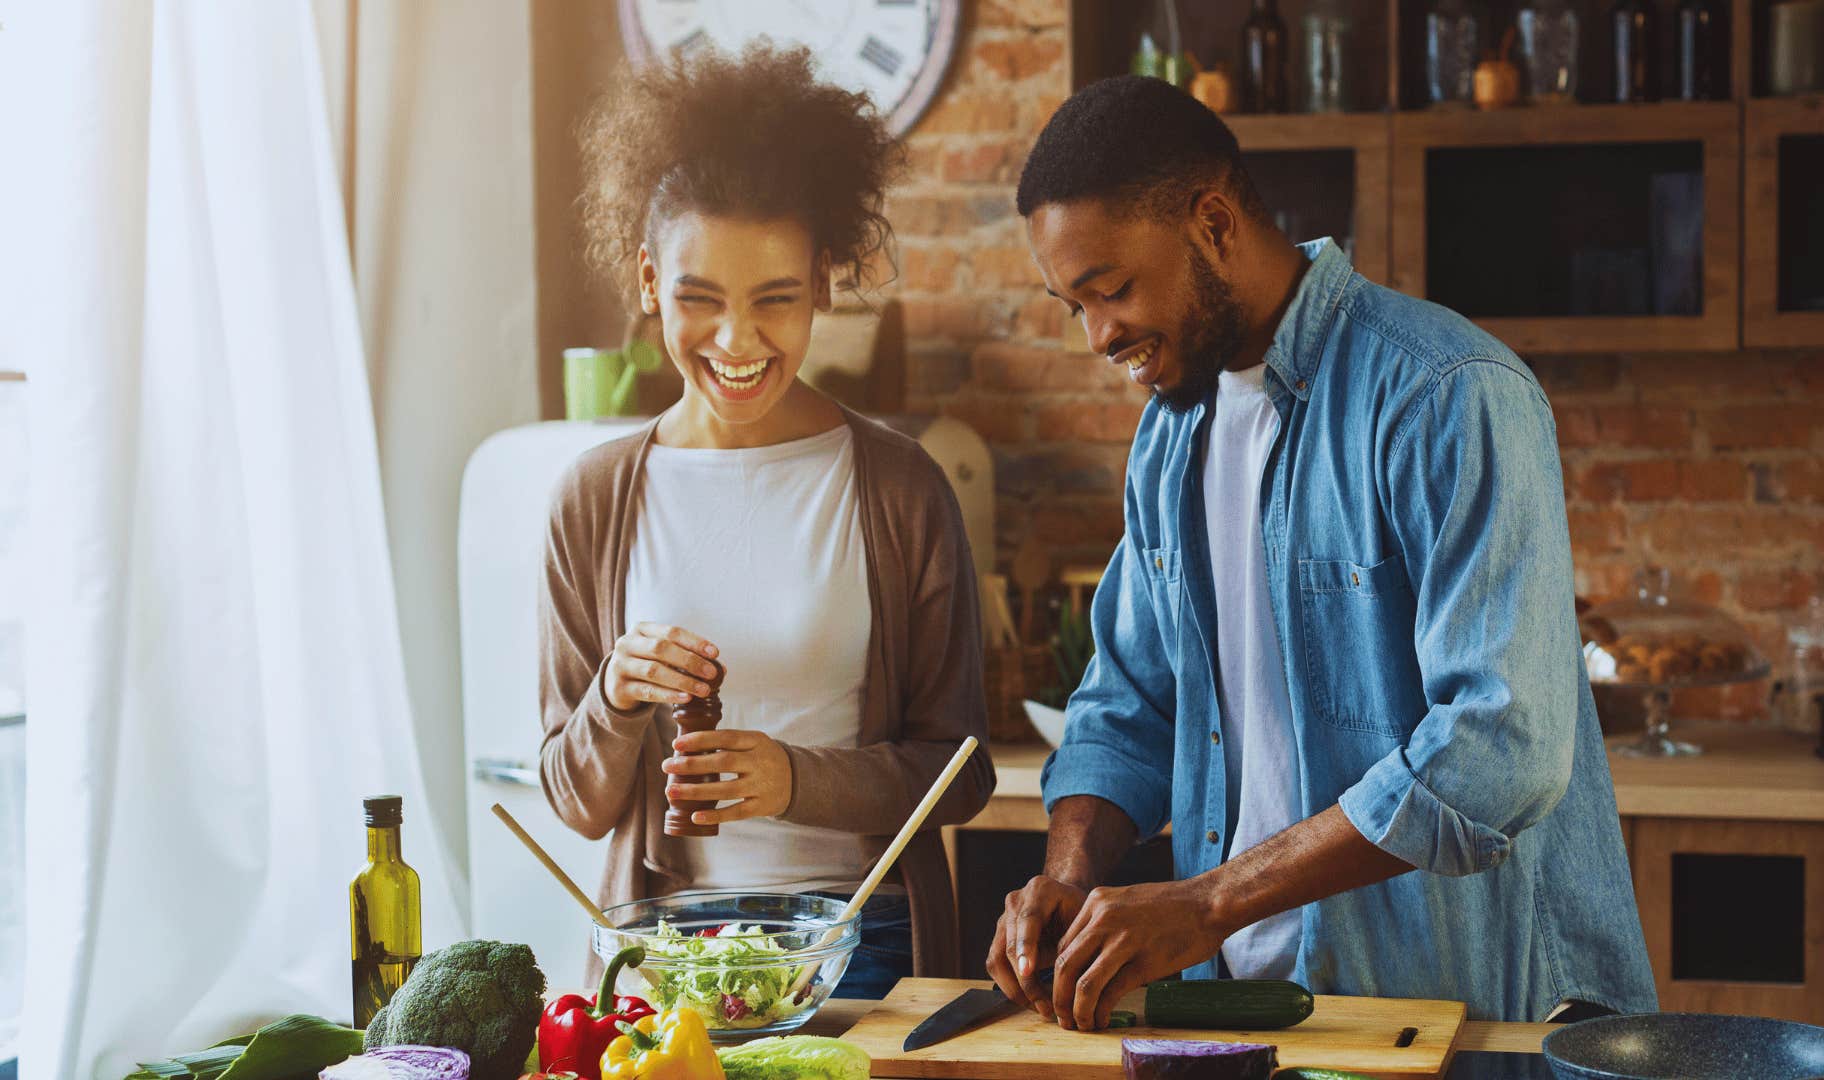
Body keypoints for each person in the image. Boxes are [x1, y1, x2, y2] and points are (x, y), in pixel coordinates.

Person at [987, 75, 1656, 1027]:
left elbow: (1500, 745)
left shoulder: (1446, 393)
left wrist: (1208, 902)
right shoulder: (1171, 435)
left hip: (1460, 1011)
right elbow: (1127, 699)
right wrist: (1069, 875)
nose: (1099, 336)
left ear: (1213, 222)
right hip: (1242, 1006)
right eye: (1072, 306)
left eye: (1115, 289)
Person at [538, 43, 993, 997]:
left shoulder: (902, 489)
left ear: (824, 281)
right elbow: (574, 800)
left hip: (861, 943)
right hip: (664, 955)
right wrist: (615, 701)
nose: (737, 342)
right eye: (699, 299)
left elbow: (964, 772)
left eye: (775, 300)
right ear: (650, 279)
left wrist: (797, 781)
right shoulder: (592, 499)